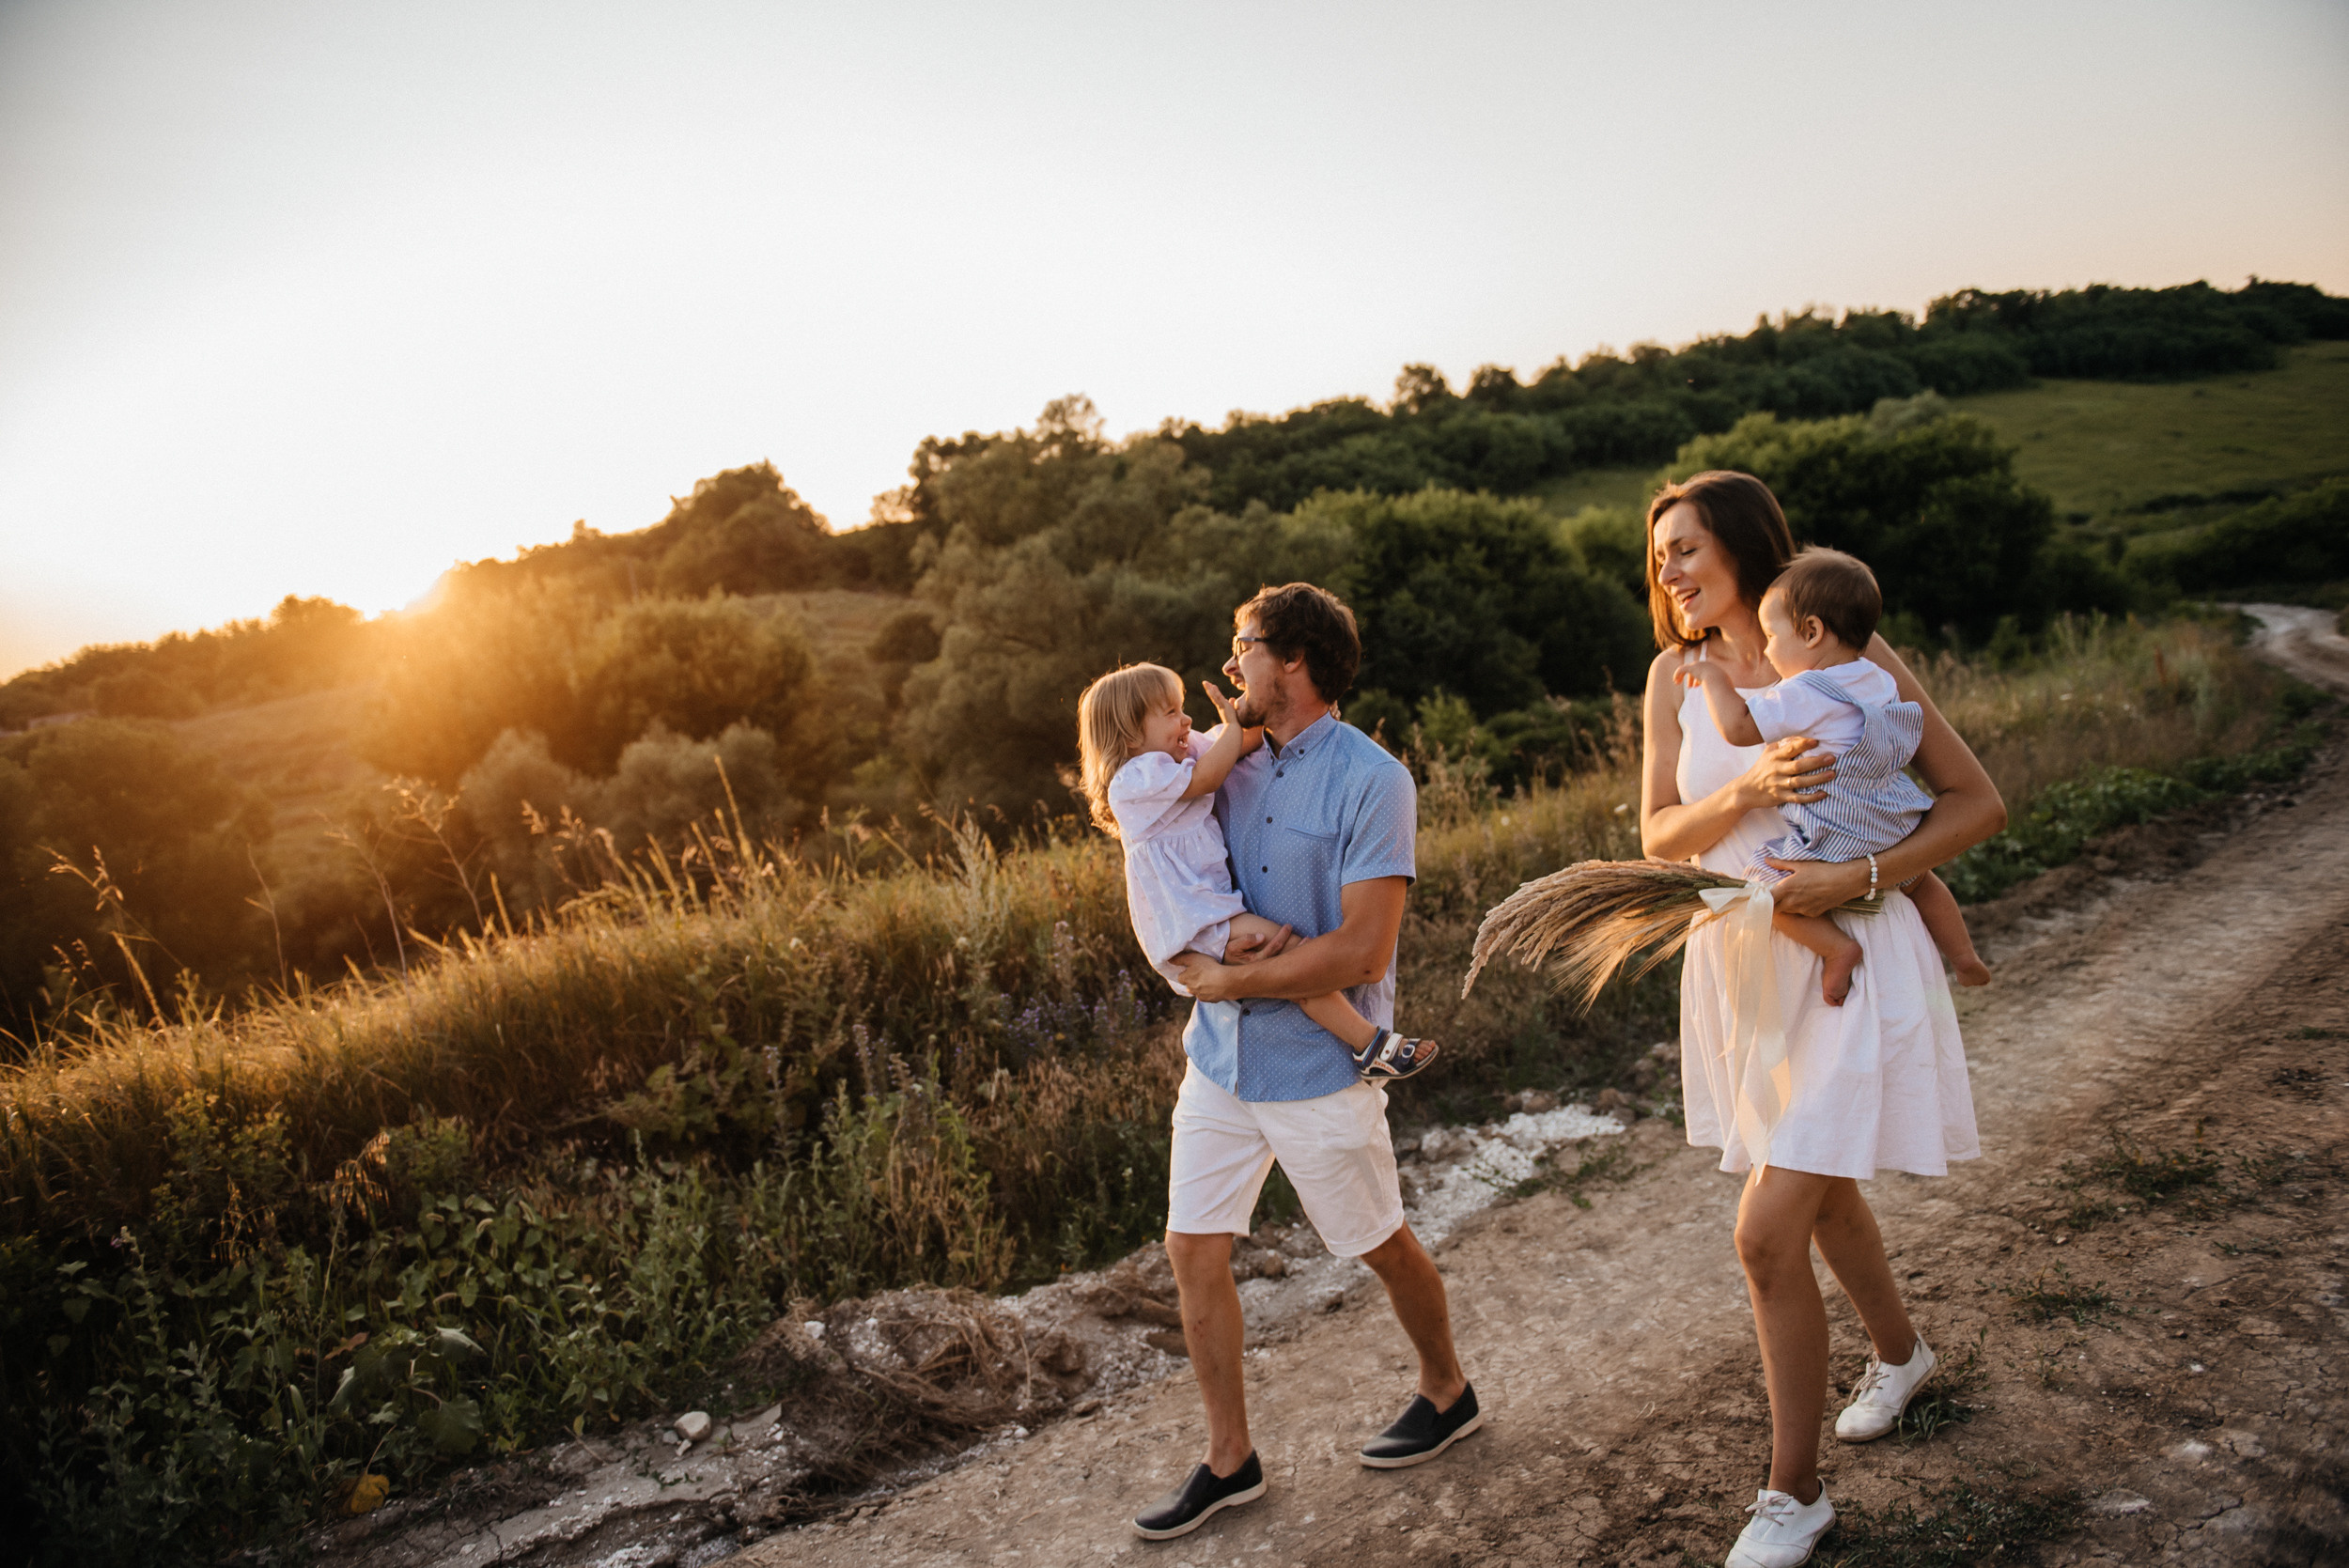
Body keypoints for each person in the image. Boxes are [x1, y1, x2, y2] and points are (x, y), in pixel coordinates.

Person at [1640, 473, 2004, 1568]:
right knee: (1822, 1186)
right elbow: (1662, 833)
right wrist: (1745, 795)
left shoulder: (1842, 651)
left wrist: (1858, 870)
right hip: (1743, 963)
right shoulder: (1672, 675)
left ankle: (1792, 1494)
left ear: (1745, 549)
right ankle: (1899, 1355)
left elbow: (1974, 801)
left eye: (1686, 547)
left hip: (1852, 951)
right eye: (1657, 555)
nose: (1667, 571)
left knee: (1764, 1229)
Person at [1127, 582, 1477, 1543]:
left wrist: (1231, 983)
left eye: (1244, 646)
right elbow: (1146, 820)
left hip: (1316, 1065)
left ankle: (1446, 1390)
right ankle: (1229, 1458)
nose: (1231, 663)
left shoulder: (1374, 780)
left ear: (1295, 660)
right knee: (1191, 1247)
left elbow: (1361, 953)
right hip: (1220, 1065)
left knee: (1378, 1242)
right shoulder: (1221, 762)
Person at [1074, 660, 1438, 1080]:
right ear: (1131, 733)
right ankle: (1370, 1043)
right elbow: (1212, 773)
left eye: (1182, 708)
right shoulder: (1135, 778)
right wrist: (1230, 721)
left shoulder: (1171, 755)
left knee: (1288, 959)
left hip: (1205, 910)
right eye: (1170, 712)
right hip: (1193, 915)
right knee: (1295, 956)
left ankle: (1368, 1044)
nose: (1186, 719)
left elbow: (1237, 745)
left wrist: (1311, 710)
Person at [1673, 546, 1992, 1005]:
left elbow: (1740, 727)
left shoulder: (1805, 689)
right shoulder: (1875, 679)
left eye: (1772, 636)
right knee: (1922, 880)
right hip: (1893, 821)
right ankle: (1963, 956)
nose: (1767, 649)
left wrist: (1714, 679)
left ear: (1812, 632)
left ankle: (1836, 948)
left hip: (1836, 832)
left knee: (1757, 886)